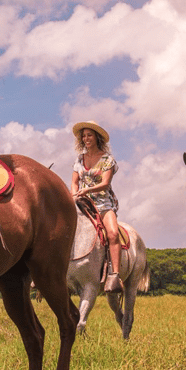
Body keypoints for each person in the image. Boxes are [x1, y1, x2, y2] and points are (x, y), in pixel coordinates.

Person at [71, 121, 123, 293]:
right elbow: (74, 182)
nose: (86, 138)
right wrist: (74, 195)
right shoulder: (79, 159)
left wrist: (87, 190)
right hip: (82, 203)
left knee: (113, 233)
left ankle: (114, 275)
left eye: (89, 135)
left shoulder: (108, 159)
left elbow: (105, 184)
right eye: (83, 136)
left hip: (102, 204)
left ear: (97, 137)